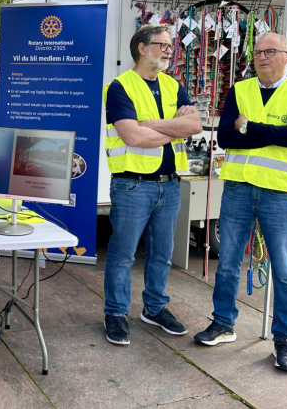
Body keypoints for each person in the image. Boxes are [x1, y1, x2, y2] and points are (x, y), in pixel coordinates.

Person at [194, 32, 287, 373]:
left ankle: (285, 339)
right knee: (228, 262)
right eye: (258, 52)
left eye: (270, 51)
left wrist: (250, 127)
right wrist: (256, 133)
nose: (262, 57)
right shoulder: (239, 89)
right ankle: (222, 323)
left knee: (286, 271)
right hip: (238, 188)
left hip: (280, 191)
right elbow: (226, 136)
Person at [102, 24, 202, 345]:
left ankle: (154, 309)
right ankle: (116, 313)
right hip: (132, 186)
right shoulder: (119, 87)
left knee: (162, 253)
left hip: (170, 185)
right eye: (163, 45)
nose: (169, 51)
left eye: (171, 46)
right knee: (122, 255)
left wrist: (153, 126)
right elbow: (132, 135)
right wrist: (176, 127)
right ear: (142, 48)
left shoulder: (174, 85)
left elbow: (195, 125)